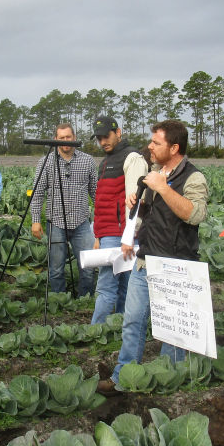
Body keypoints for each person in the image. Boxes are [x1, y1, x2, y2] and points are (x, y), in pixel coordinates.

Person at [100, 119, 209, 394]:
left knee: (172, 330)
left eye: (156, 143)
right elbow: (149, 217)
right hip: (145, 260)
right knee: (132, 321)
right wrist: (137, 209)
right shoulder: (153, 173)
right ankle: (123, 377)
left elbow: (195, 214)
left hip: (176, 266)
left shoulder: (193, 177)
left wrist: (163, 188)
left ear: (174, 147)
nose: (149, 146)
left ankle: (170, 382)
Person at [90, 115, 148, 324]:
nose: (102, 142)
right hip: (108, 234)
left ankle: (96, 330)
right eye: (99, 138)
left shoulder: (132, 158)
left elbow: (135, 201)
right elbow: (101, 203)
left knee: (112, 287)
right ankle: (115, 328)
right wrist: (98, 234)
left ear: (118, 132)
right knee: (117, 286)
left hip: (123, 236)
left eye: (106, 136)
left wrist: (130, 236)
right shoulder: (105, 162)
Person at [29, 123, 98, 296]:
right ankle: (59, 300)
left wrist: (102, 220)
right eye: (61, 138)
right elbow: (37, 193)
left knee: (88, 267)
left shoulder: (87, 160)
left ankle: (85, 300)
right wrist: (35, 220)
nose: (66, 141)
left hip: (82, 222)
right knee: (56, 268)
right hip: (56, 223)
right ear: (55, 140)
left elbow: (96, 193)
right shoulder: (46, 162)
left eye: (68, 137)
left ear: (74, 138)